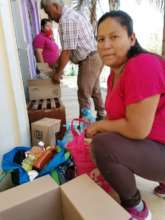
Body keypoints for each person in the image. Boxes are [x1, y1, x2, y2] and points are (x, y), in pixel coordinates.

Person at [86, 10, 165, 220]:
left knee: (103, 144)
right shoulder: (115, 74)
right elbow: (119, 118)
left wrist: (101, 126)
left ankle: (137, 209)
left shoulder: (142, 65)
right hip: (157, 141)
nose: (105, 45)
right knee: (104, 138)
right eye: (100, 39)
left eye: (114, 36)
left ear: (132, 39)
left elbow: (137, 129)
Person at [40, 0, 105, 120]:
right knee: (94, 89)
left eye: (49, 12)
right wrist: (57, 64)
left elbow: (67, 51)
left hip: (90, 58)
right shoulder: (71, 15)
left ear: (55, 6)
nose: (49, 17)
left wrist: (57, 73)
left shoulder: (67, 20)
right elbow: (68, 50)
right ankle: (101, 115)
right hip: (95, 56)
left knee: (83, 93)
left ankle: (84, 126)